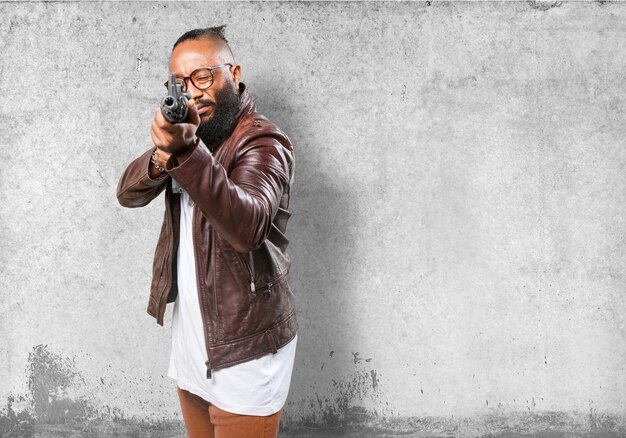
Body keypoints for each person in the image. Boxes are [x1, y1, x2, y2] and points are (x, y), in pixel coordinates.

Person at [116, 26, 297, 438]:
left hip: (245, 351)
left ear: (233, 72)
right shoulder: (192, 138)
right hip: (195, 346)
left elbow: (247, 226)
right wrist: (166, 151)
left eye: (202, 77)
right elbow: (127, 193)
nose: (192, 93)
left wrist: (185, 150)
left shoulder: (265, 142)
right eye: (179, 83)